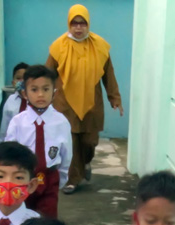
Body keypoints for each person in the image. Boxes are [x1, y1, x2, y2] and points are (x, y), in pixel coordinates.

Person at [45, 4, 123, 194]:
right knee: (71, 142)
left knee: (89, 142)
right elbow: (47, 74)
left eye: (82, 23)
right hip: (65, 103)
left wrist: (115, 97)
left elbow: (108, 75)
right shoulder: (58, 47)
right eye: (74, 23)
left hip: (91, 103)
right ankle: (73, 179)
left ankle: (86, 162)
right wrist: (42, 96)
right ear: (69, 24)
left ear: (88, 24)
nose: (78, 28)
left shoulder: (100, 47)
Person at [5, 64, 72, 219]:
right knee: (21, 217)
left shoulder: (61, 122)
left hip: (50, 178)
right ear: (25, 93)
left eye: (46, 89)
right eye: (34, 90)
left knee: (47, 218)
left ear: (54, 93)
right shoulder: (17, 122)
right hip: (23, 178)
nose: (40, 94)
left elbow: (66, 154)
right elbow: (10, 153)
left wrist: (60, 179)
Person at [0, 62, 29, 141]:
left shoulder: (36, 101)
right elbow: (5, 126)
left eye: (25, 78)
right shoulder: (10, 101)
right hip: (13, 143)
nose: (22, 81)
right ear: (13, 83)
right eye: (18, 78)